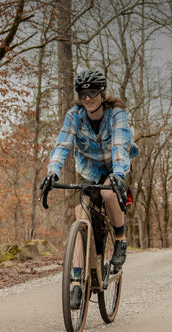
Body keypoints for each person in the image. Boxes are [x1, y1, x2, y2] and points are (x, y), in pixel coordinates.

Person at [40, 69, 138, 308]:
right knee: (79, 215)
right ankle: (76, 280)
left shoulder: (117, 114)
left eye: (93, 92)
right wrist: (52, 172)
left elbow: (119, 146)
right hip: (90, 170)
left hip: (116, 167)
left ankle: (121, 238)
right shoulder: (75, 116)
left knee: (107, 193)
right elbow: (62, 145)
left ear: (102, 93)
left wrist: (117, 175)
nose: (88, 98)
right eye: (83, 93)